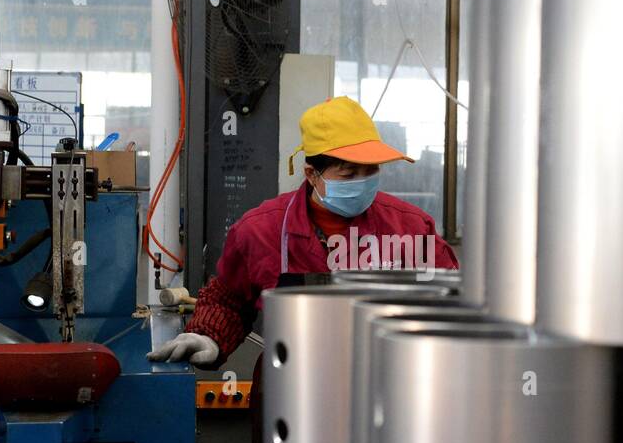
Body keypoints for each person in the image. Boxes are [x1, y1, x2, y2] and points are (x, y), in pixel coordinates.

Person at [149, 96, 458, 366]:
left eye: (372, 171)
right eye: (350, 173)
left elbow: (449, 301)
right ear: (311, 174)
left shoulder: (412, 229)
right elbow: (228, 300)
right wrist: (208, 335)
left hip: (389, 391)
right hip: (291, 391)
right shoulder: (262, 232)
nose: (363, 182)